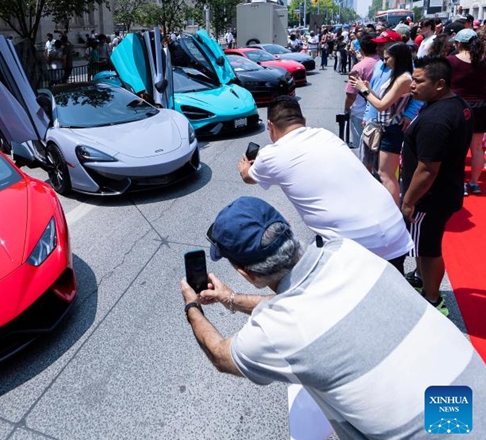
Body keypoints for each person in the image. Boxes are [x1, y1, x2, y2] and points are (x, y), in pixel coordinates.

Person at [180, 196, 486, 439]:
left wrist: (192, 306)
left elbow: (220, 355)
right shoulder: (347, 250)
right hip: (473, 402)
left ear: (246, 273)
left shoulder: (275, 331)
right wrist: (230, 299)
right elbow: (306, 304)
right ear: (287, 226)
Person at [237, 96, 412, 271]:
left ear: (270, 125)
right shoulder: (325, 135)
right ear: (303, 120)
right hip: (395, 231)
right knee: (393, 286)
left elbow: (248, 177)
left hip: (359, 246)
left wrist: (245, 166)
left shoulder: (270, 155)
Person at [402, 56, 473, 316]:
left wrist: (409, 201)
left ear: (440, 84)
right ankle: (421, 278)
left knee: (428, 248)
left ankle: (432, 300)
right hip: (444, 191)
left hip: (429, 198)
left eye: (419, 81)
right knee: (426, 243)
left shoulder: (436, 120)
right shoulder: (457, 105)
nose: (412, 85)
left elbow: (427, 170)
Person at [352, 37, 419, 205]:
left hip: (391, 130)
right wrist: (368, 89)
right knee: (380, 171)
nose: (384, 60)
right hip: (383, 128)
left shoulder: (404, 78)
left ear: (398, 58)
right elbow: (383, 100)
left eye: (388, 57)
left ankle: (394, 211)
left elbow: (382, 106)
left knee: (386, 174)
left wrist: (364, 90)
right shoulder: (397, 75)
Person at [446, 29, 486, 196]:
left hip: (458, 107)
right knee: (477, 148)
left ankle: (460, 183)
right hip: (481, 108)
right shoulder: (484, 61)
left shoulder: (450, 61)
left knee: (458, 148)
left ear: (459, 43)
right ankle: (475, 183)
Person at [343, 34, 379, 149]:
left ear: (361, 49)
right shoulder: (384, 64)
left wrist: (346, 109)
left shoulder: (359, 67)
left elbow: (350, 95)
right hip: (382, 111)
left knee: (361, 147)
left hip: (361, 112)